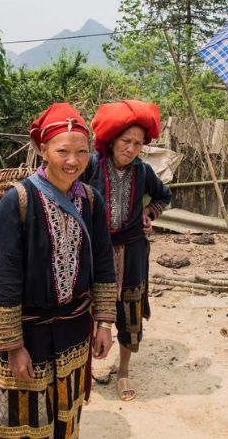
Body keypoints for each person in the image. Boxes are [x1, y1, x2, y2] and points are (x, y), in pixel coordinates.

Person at [0, 103, 117, 438]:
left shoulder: (91, 201)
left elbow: (103, 263)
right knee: (26, 420)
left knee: (67, 413)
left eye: (81, 151)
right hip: (28, 334)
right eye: (62, 151)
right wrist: (13, 345)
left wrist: (104, 323)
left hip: (75, 328)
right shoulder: (17, 200)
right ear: (42, 149)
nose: (72, 161)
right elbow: (4, 277)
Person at [83, 100, 172, 402]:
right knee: (87, 308)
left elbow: (164, 195)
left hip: (133, 250)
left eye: (138, 143)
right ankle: (83, 368)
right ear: (111, 140)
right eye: (126, 141)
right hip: (95, 250)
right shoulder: (91, 166)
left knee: (129, 310)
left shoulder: (143, 171)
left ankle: (122, 370)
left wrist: (149, 213)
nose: (131, 148)